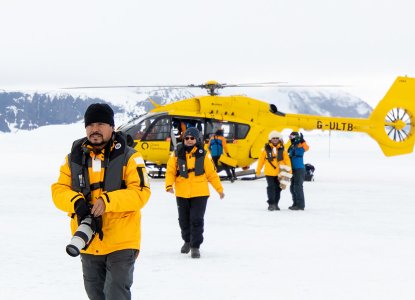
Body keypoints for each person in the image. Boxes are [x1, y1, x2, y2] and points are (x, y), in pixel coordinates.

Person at [51, 103, 151, 300]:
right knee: (95, 295)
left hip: (121, 242)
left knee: (116, 293)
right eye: (90, 125)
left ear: (112, 127)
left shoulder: (131, 157)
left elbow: (141, 192)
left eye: (100, 124)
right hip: (88, 240)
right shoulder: (73, 158)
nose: (94, 129)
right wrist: (76, 202)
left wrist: (108, 201)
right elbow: (58, 190)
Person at [165, 127, 225, 259]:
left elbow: (212, 174)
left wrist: (219, 190)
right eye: (187, 138)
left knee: (196, 219)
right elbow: (170, 171)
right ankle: (187, 240)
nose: (189, 140)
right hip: (182, 192)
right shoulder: (176, 153)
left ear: (197, 139)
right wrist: (169, 185)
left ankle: (195, 246)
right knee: (183, 220)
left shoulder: (204, 154)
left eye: (192, 138)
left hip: (200, 192)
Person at [256, 130, 292, 211]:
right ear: (270, 139)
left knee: (278, 188)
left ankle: (276, 203)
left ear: (279, 139)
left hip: (280, 172)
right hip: (269, 172)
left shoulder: (283, 149)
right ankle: (271, 204)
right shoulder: (265, 149)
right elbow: (261, 160)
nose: (275, 139)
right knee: (271, 187)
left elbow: (287, 160)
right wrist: (258, 170)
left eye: (277, 138)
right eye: (273, 138)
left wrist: (289, 170)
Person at [287, 131, 309, 210]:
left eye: (292, 137)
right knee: (292, 187)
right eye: (290, 137)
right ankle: (295, 203)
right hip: (292, 169)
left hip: (299, 169)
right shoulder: (291, 146)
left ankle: (300, 205)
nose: (290, 139)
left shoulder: (300, 144)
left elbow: (306, 148)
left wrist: (303, 141)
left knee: (298, 187)